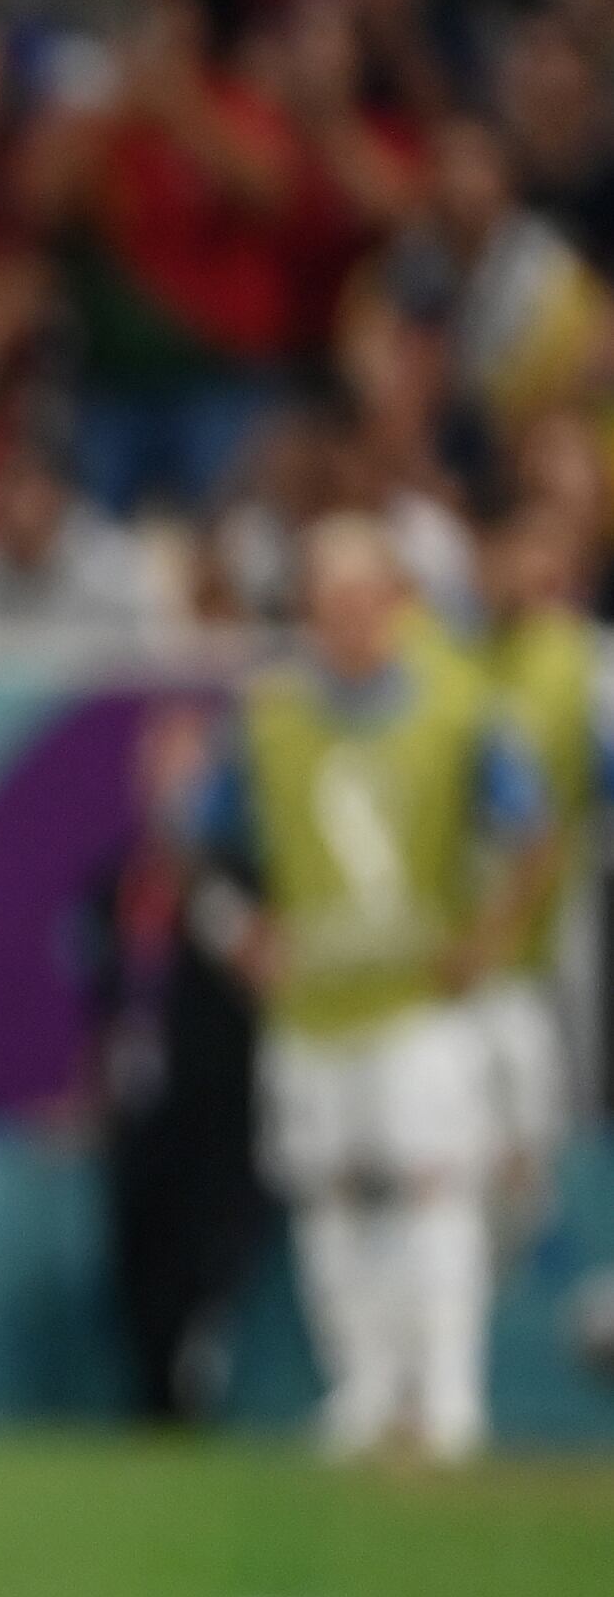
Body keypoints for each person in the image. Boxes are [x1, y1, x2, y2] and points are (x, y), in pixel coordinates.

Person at [210, 515, 553, 1462]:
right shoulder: (269, 716)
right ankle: (360, 1388)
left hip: (415, 1000)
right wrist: (241, 937)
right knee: (325, 1195)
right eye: (329, 603)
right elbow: (197, 839)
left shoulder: (456, 707)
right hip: (311, 1003)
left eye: (364, 600)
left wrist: (488, 940)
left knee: (434, 1186)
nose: (348, 621)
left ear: (396, 605)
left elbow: (531, 826)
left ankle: (447, 1401)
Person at [468, 508, 601, 1260]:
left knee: (551, 1122)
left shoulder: (579, 662)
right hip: (457, 948)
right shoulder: (440, 655)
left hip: (550, 938)